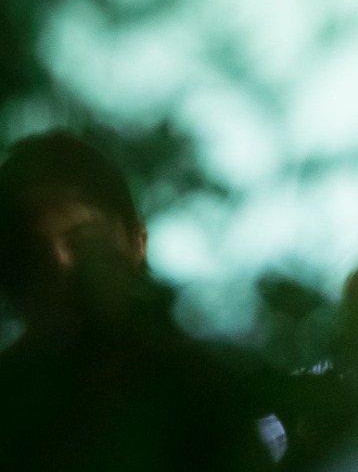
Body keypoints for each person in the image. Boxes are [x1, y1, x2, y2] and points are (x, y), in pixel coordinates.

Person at [0, 131, 274, 471]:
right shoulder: (10, 409)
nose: (62, 264)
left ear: (136, 244)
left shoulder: (196, 386)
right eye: (35, 251)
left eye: (82, 241)